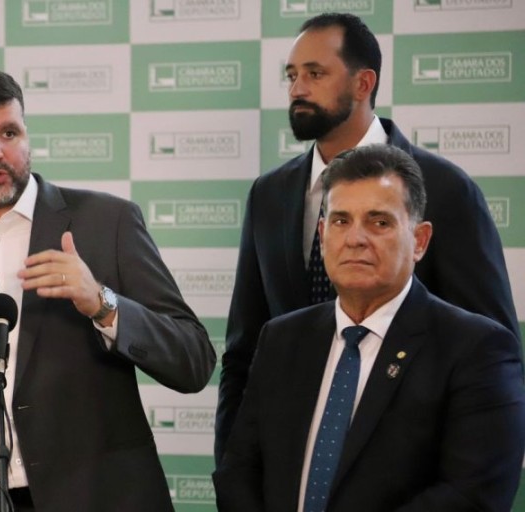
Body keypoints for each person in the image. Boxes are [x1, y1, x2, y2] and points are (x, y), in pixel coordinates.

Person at [0, 65, 216, 512]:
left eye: (9, 133)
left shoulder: (105, 223)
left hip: (97, 498)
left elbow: (194, 360)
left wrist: (103, 304)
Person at [215, 11, 519, 464]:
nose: (297, 89)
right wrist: (231, 469)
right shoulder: (269, 195)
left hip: (409, 469)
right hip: (289, 467)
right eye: (292, 75)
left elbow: (491, 351)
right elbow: (244, 351)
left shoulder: (444, 189)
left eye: (315, 73)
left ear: (363, 84)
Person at [212, 144, 525, 511]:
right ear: (323, 235)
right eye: (341, 221)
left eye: (380, 222)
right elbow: (239, 471)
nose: (355, 238)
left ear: (419, 241)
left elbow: (472, 494)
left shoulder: (476, 349)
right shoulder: (281, 339)